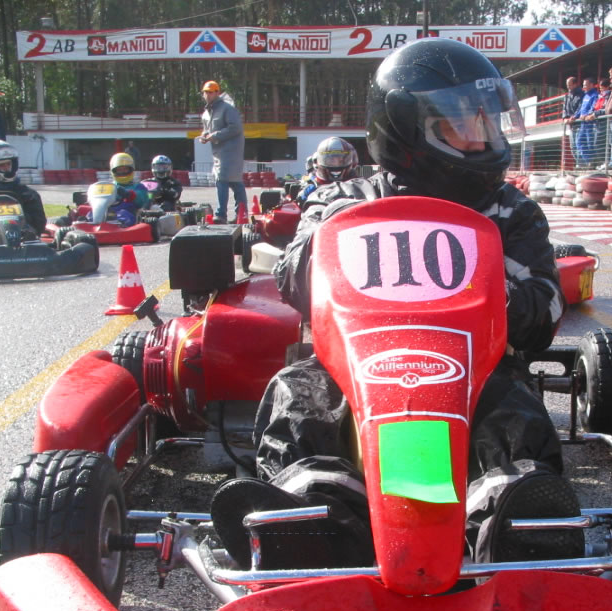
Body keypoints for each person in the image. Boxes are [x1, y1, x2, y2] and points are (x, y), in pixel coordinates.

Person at [210, 37, 581, 571]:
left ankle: (505, 514)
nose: (485, 136)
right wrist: (331, 244)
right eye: (465, 123)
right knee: (300, 396)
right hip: (354, 369)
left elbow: (543, 314)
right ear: (410, 130)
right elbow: (294, 280)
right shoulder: (349, 201)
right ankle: (316, 508)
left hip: (475, 370)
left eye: (488, 120)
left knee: (513, 410)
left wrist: (481, 286)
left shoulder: (510, 212)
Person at [199, 80, 246, 223]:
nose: (207, 95)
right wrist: (204, 136)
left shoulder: (227, 109)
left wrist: (215, 136)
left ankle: (221, 215)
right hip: (218, 153)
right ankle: (242, 214)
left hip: (231, 151)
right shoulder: (206, 113)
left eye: (210, 92)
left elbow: (236, 128)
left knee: (222, 180)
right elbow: (207, 130)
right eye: (205, 92)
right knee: (235, 183)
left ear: (217, 93)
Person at [299, 137, 359, 202]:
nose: (336, 164)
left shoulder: (358, 185)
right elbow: (299, 205)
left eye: (340, 161)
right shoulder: (311, 188)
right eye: (331, 161)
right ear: (318, 161)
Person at [106, 152, 149, 227]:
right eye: (119, 170)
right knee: (91, 214)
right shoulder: (109, 186)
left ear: (131, 169)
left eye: (125, 169)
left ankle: (120, 227)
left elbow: (142, 200)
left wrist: (130, 194)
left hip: (128, 211)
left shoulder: (138, 186)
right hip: (108, 212)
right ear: (114, 171)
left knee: (123, 215)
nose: (122, 172)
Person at [573, 76, 603, 167]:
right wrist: (574, 116)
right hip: (583, 124)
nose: (584, 87)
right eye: (583, 85)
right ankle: (588, 161)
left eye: (585, 85)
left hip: (591, 123)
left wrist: (587, 115)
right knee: (579, 142)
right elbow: (581, 109)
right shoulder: (585, 95)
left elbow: (594, 107)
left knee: (591, 143)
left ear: (591, 85)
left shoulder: (595, 95)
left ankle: (593, 162)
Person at [561, 76, 584, 168]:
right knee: (573, 145)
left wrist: (574, 117)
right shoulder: (567, 96)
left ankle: (582, 163)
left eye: (570, 85)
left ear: (575, 84)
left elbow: (581, 107)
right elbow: (565, 109)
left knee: (579, 143)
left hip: (578, 123)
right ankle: (578, 162)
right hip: (571, 124)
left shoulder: (581, 94)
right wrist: (565, 118)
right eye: (567, 85)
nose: (568, 87)